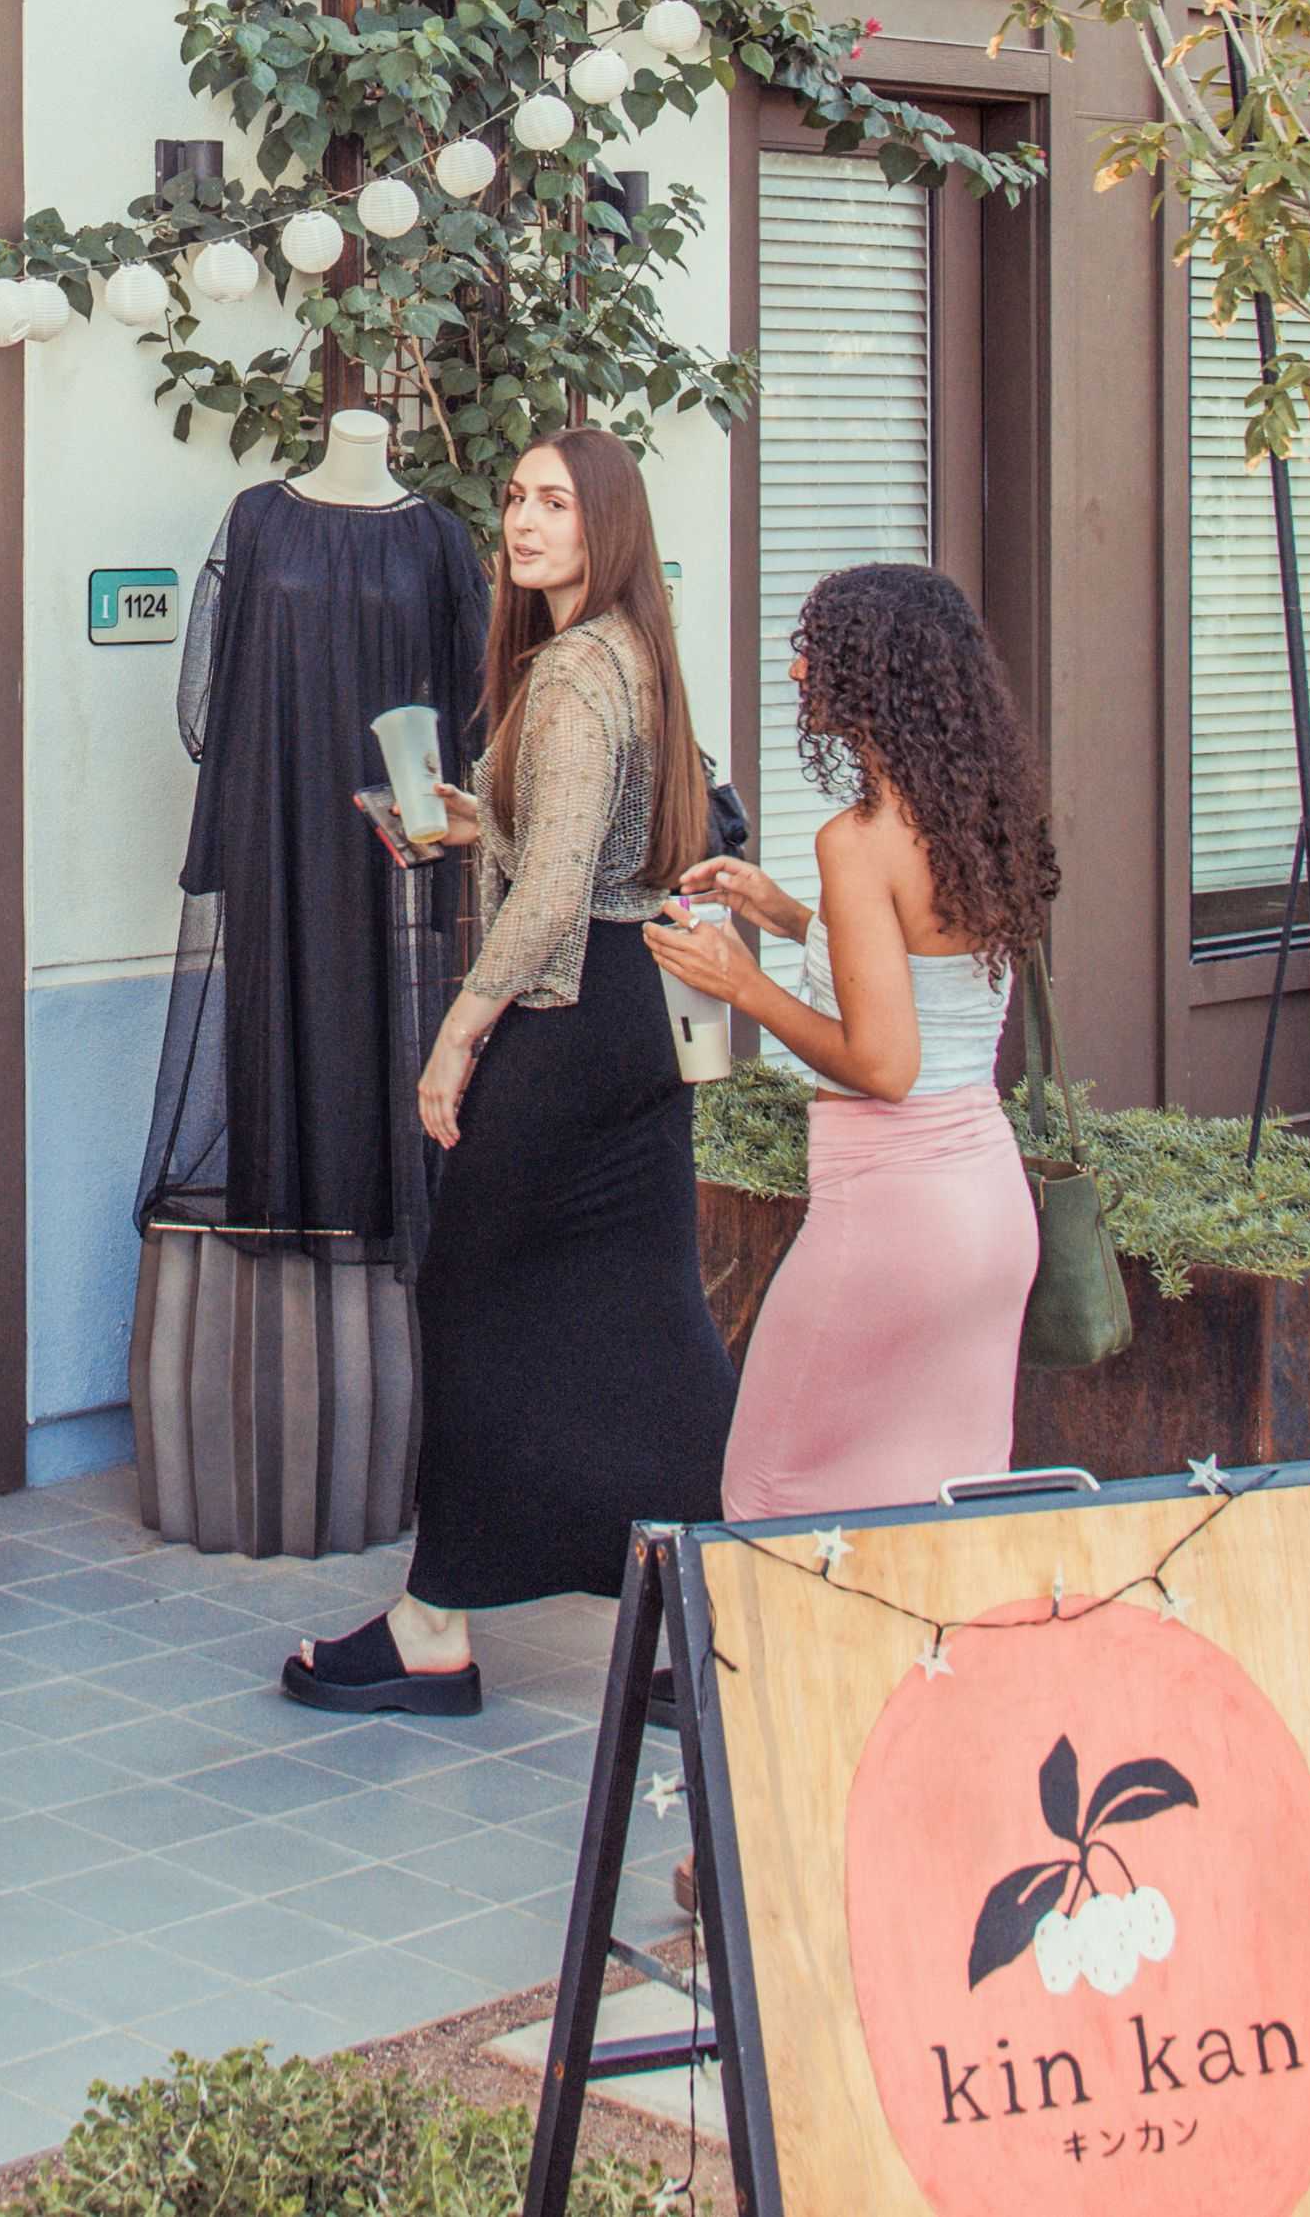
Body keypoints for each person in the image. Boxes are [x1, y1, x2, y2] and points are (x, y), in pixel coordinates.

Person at [282, 428, 734, 1714]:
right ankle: (707, 1596)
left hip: (568, 1016)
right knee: (645, 1310)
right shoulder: (631, 654)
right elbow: (578, 850)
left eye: (554, 503)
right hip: (630, 1007)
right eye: (517, 499)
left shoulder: (579, 670)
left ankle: (436, 1627)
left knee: (471, 1297)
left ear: (607, 526)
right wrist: (484, 823)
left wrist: (458, 1031)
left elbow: (551, 897)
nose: (524, 523)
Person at [644, 562, 1057, 1520]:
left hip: (891, 1213)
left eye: (812, 651)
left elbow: (885, 1066)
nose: (795, 673)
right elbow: (922, 977)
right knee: (937, 1508)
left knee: (769, 1489)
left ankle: (758, 1676)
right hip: (988, 1214)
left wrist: (740, 983)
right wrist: (782, 912)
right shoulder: (978, 815)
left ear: (875, 672)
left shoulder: (859, 837)